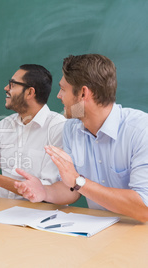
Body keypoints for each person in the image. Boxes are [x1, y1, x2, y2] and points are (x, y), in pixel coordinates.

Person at [14, 54, 148, 222]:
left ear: (83, 93)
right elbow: (72, 188)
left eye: (63, 89)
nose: (58, 96)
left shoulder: (141, 131)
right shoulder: (71, 128)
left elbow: (144, 208)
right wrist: (44, 191)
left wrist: (78, 181)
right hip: (99, 228)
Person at [0, 64, 66, 199]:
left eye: (12, 85)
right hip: (2, 209)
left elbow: (47, 188)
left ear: (30, 92)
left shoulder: (58, 127)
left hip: (40, 213)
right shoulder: (4, 125)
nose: (6, 88)